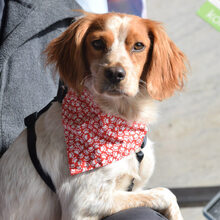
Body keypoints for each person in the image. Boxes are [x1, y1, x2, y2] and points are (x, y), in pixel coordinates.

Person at [0, 0, 167, 219]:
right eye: (98, 44)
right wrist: (164, 198)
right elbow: (81, 209)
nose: (116, 67)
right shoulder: (70, 126)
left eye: (137, 46)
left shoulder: (128, 134)